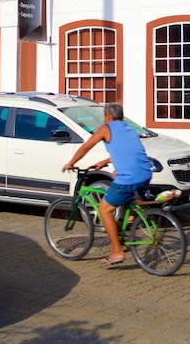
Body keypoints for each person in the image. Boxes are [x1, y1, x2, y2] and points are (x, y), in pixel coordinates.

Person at [62, 102, 151, 267]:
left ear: (108, 116)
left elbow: (85, 147)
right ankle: (129, 226)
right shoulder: (130, 129)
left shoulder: (106, 128)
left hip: (128, 178)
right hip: (145, 175)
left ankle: (117, 252)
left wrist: (71, 163)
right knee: (125, 200)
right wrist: (106, 160)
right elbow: (128, 151)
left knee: (104, 210)